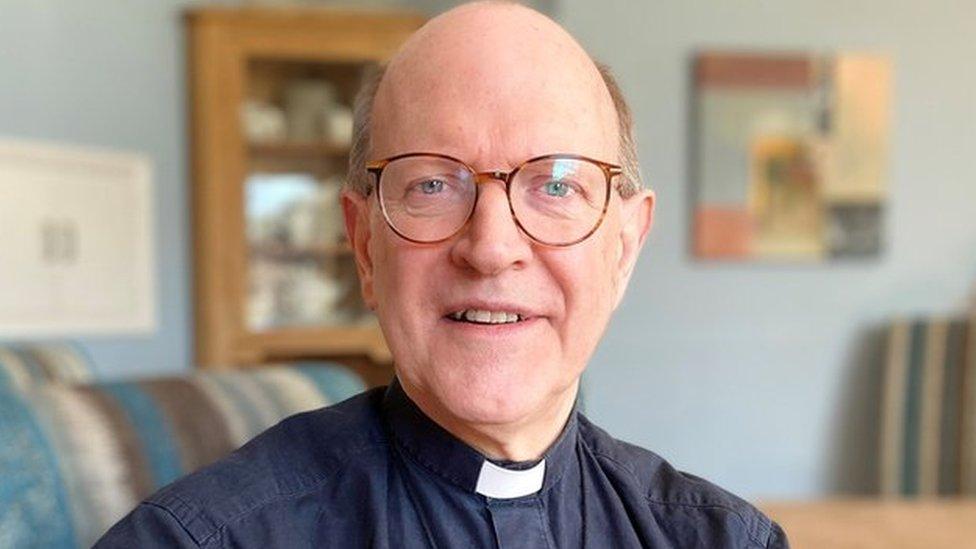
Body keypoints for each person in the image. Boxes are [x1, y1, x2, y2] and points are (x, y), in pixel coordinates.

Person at [97, 2, 788, 547]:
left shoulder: (726, 537)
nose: (491, 248)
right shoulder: (197, 539)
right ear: (364, 246)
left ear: (625, 247)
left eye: (555, 185)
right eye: (431, 184)